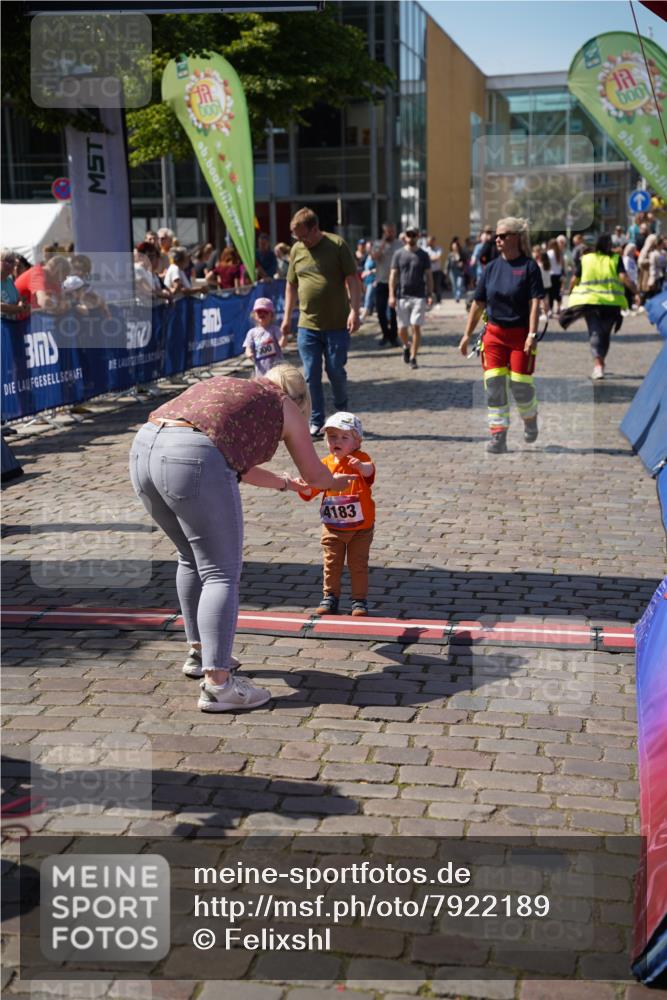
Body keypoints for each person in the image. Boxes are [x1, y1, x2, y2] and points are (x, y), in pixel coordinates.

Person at [129, 365, 355, 712]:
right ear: (298, 397)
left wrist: (285, 483)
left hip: (145, 447)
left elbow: (234, 462)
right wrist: (341, 482)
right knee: (221, 572)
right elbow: (316, 474)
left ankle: (201, 652)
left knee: (190, 556)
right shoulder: (283, 404)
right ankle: (219, 686)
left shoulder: (232, 388)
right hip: (190, 456)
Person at [458, 216, 544, 454]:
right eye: (496, 235)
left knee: (520, 386)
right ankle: (498, 436)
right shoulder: (491, 268)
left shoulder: (529, 267)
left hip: (520, 336)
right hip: (494, 336)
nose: (498, 239)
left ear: (515, 237)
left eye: (503, 235)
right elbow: (478, 303)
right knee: (495, 386)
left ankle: (530, 420)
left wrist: (532, 334)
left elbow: (535, 303)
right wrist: (467, 334)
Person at [279, 207, 360, 438]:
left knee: (335, 371)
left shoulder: (336, 245)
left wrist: (355, 311)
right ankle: (316, 420)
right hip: (308, 326)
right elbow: (291, 285)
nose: (301, 241)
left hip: (336, 325)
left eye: (304, 236)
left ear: (315, 229)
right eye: (297, 237)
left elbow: (353, 279)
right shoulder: (296, 250)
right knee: (310, 374)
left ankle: (342, 413)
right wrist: (286, 318)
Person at [297, 411, 375, 618]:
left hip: (361, 526)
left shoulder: (360, 459)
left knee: (358, 564)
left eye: (344, 437)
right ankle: (330, 596)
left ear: (357, 441)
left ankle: (359, 600)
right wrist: (301, 486)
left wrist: (360, 467)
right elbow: (311, 490)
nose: (337, 441)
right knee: (331, 562)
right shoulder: (324, 464)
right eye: (332, 437)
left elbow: (369, 471)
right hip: (332, 526)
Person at [560, 232, 635, 381]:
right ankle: (599, 364)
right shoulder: (615, 259)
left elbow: (574, 279)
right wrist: (634, 289)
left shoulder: (586, 259)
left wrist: (570, 291)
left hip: (591, 302)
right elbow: (623, 277)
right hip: (611, 303)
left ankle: (599, 365)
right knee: (604, 335)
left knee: (595, 333)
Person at [389, 227, 433, 370]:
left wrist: (430, 294)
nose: (411, 237)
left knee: (415, 326)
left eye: (414, 235)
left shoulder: (423, 255)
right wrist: (391, 295)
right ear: (405, 236)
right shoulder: (398, 254)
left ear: (418, 236)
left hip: (419, 296)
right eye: (409, 234)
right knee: (401, 329)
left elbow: (429, 276)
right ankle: (406, 346)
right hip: (402, 296)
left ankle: (413, 357)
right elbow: (393, 276)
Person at [372, 222, 403, 347]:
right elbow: (375, 257)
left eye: (392, 231)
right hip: (381, 281)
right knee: (380, 311)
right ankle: (385, 334)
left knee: (394, 311)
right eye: (388, 231)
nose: (390, 233)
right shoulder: (377, 244)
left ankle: (394, 336)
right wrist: (383, 243)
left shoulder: (400, 245)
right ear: (384, 232)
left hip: (396, 283)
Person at [243, 296, 284, 376]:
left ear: (271, 315)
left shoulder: (274, 329)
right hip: (261, 372)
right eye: (259, 312)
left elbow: (282, 343)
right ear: (254, 315)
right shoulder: (251, 333)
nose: (262, 314)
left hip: (277, 371)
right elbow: (248, 348)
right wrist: (249, 353)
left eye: (265, 312)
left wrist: (284, 336)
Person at [0, 249, 28, 318]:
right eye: (6, 260)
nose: (10, 265)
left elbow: (18, 298)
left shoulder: (9, 280)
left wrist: (21, 303)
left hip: (12, 325)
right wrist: (18, 308)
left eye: (12, 262)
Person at [531, 244, 551, 317]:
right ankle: (547, 311)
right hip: (547, 283)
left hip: (542, 283)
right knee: (545, 299)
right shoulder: (546, 262)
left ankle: (544, 313)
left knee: (542, 300)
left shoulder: (539, 263)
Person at [546, 238, 564, 316]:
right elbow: (562, 265)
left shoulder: (548, 253)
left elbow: (546, 265)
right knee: (558, 292)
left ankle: (550, 309)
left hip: (550, 275)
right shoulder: (560, 253)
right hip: (558, 274)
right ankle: (559, 308)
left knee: (550, 293)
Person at [446, 238, 467, 304]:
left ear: (458, 247)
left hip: (460, 271)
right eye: (453, 247)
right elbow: (447, 263)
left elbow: (465, 261)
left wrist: (462, 264)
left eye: (455, 246)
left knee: (459, 284)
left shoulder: (461, 254)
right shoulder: (450, 255)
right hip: (452, 271)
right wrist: (446, 270)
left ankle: (458, 296)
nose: (454, 248)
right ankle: (456, 297)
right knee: (454, 285)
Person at [427, 235, 444, 303]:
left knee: (437, 286)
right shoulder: (426, 249)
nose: (429, 243)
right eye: (428, 241)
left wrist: (430, 258)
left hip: (437, 271)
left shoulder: (439, 248)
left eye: (430, 241)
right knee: (430, 285)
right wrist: (432, 258)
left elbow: (437, 257)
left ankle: (438, 300)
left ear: (434, 241)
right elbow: (428, 259)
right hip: (429, 271)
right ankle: (430, 299)